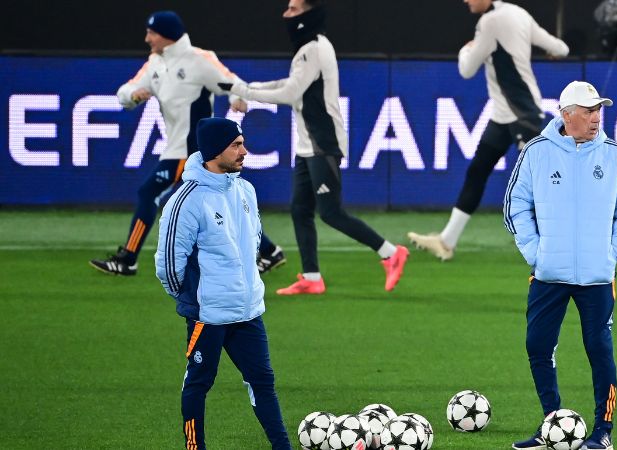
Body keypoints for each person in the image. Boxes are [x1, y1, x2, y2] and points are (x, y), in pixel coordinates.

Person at [219, 0, 409, 295]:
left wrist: (244, 90)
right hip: (308, 144)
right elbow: (290, 82)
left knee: (331, 212)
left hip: (324, 142)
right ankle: (311, 278)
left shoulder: (314, 49)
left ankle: (390, 252)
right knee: (300, 209)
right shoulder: (311, 46)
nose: (286, 14)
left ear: (308, 13)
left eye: (293, 9)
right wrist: (250, 86)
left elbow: (291, 92)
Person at [89, 10, 286, 277]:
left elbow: (232, 83)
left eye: (151, 33)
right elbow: (125, 92)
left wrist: (236, 97)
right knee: (220, 201)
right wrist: (133, 96)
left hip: (192, 148)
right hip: (177, 147)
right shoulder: (155, 63)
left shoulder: (199, 60)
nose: (147, 38)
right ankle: (269, 251)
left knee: (150, 193)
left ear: (166, 35)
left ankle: (128, 259)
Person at [504, 81, 617, 450]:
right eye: (588, 111)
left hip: (598, 276)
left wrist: (614, 250)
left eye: (599, 110)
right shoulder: (536, 152)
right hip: (549, 273)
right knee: (538, 346)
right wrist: (536, 252)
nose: (597, 118)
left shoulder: (613, 154)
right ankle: (553, 423)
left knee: (599, 351)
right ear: (566, 115)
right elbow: (516, 204)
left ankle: (603, 431)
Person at [155, 117, 292, 450]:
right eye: (236, 145)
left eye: (242, 143)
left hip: (248, 311)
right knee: (199, 384)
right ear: (216, 150)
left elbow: (254, 239)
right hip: (209, 315)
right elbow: (168, 265)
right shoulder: (186, 199)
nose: (244, 151)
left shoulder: (245, 189)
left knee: (263, 382)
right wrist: (194, 302)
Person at [407, 0, 569, 261]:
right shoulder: (519, 13)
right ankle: (447, 241)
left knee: (541, 180)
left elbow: (467, 69)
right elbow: (561, 48)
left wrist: (466, 49)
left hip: (521, 114)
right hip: (505, 116)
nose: (466, 0)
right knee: (478, 172)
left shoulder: (488, 22)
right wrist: (554, 53)